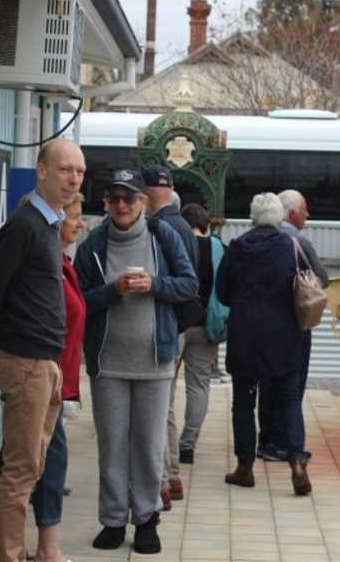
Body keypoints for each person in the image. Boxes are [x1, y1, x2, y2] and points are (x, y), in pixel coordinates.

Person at [74, 169, 198, 555]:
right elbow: (79, 301)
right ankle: (112, 520)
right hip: (108, 362)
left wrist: (154, 285)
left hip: (156, 361)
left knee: (148, 445)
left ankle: (146, 519)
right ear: (106, 203)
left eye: (129, 198)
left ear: (143, 202)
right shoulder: (92, 244)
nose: (122, 205)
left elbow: (189, 284)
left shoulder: (164, 237)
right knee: (112, 446)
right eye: (114, 198)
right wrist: (114, 291)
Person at [0, 139, 86, 562]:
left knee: (28, 466)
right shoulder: (23, 225)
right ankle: (6, 554)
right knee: (22, 472)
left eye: (78, 171)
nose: (73, 178)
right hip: (26, 362)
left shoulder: (51, 225)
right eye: (64, 170)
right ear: (41, 171)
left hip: (46, 361)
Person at [216, 193, 312, 496]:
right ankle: (297, 461)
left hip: (244, 335)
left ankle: (245, 467)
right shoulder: (290, 246)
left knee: (243, 401)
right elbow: (312, 281)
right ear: (281, 217)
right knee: (290, 398)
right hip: (284, 336)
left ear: (252, 216)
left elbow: (222, 293)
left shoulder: (237, 247)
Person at [257, 189, 329, 462]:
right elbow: (321, 279)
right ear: (291, 213)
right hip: (294, 325)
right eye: (305, 209)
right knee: (290, 387)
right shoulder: (297, 241)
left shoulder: (254, 240)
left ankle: (266, 441)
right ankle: (287, 443)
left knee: (267, 385)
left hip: (262, 326)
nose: (308, 214)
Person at [142, 165, 198, 508]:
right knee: (168, 404)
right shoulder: (184, 226)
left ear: (146, 195)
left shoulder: (158, 227)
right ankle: (172, 475)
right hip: (179, 326)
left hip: (163, 327)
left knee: (158, 408)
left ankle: (163, 481)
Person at [176, 203, 227, 465]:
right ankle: (187, 445)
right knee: (198, 386)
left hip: (175, 325)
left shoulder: (176, 244)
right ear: (206, 224)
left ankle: (161, 441)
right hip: (206, 325)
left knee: (163, 386)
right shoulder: (218, 248)